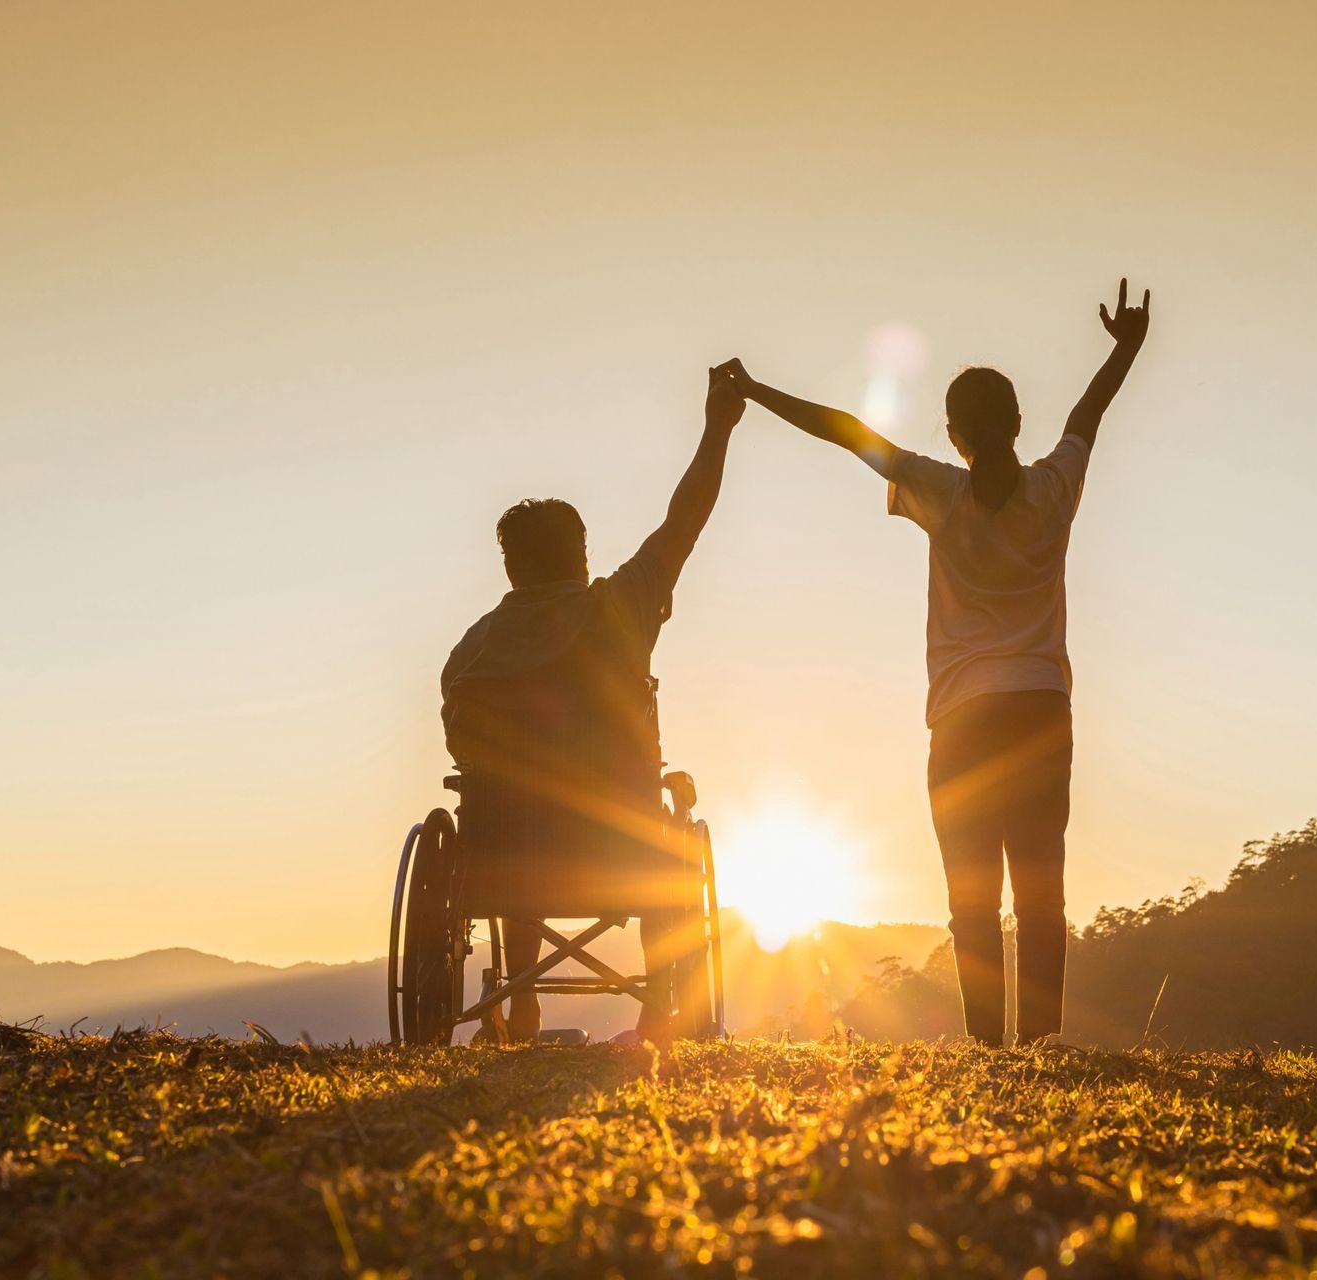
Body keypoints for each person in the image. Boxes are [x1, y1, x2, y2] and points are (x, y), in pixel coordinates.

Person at [717, 279, 1151, 1046]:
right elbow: (1089, 415)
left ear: (955, 435)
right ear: (1018, 424)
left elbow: (847, 430)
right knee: (1041, 893)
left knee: (972, 899)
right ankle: (1043, 1044)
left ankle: (988, 1047)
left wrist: (753, 390)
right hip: (1042, 709)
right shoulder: (1055, 489)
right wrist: (1126, 347)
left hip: (963, 718)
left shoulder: (941, 490)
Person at [440, 365, 746, 1044]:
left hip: (503, 859)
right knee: (667, 824)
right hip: (619, 848)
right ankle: (656, 1006)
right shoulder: (619, 608)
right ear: (581, 556)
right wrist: (717, 428)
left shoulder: (469, 656)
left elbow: (468, 757)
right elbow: (686, 517)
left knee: (513, 798)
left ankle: (522, 1007)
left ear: (510, 567)